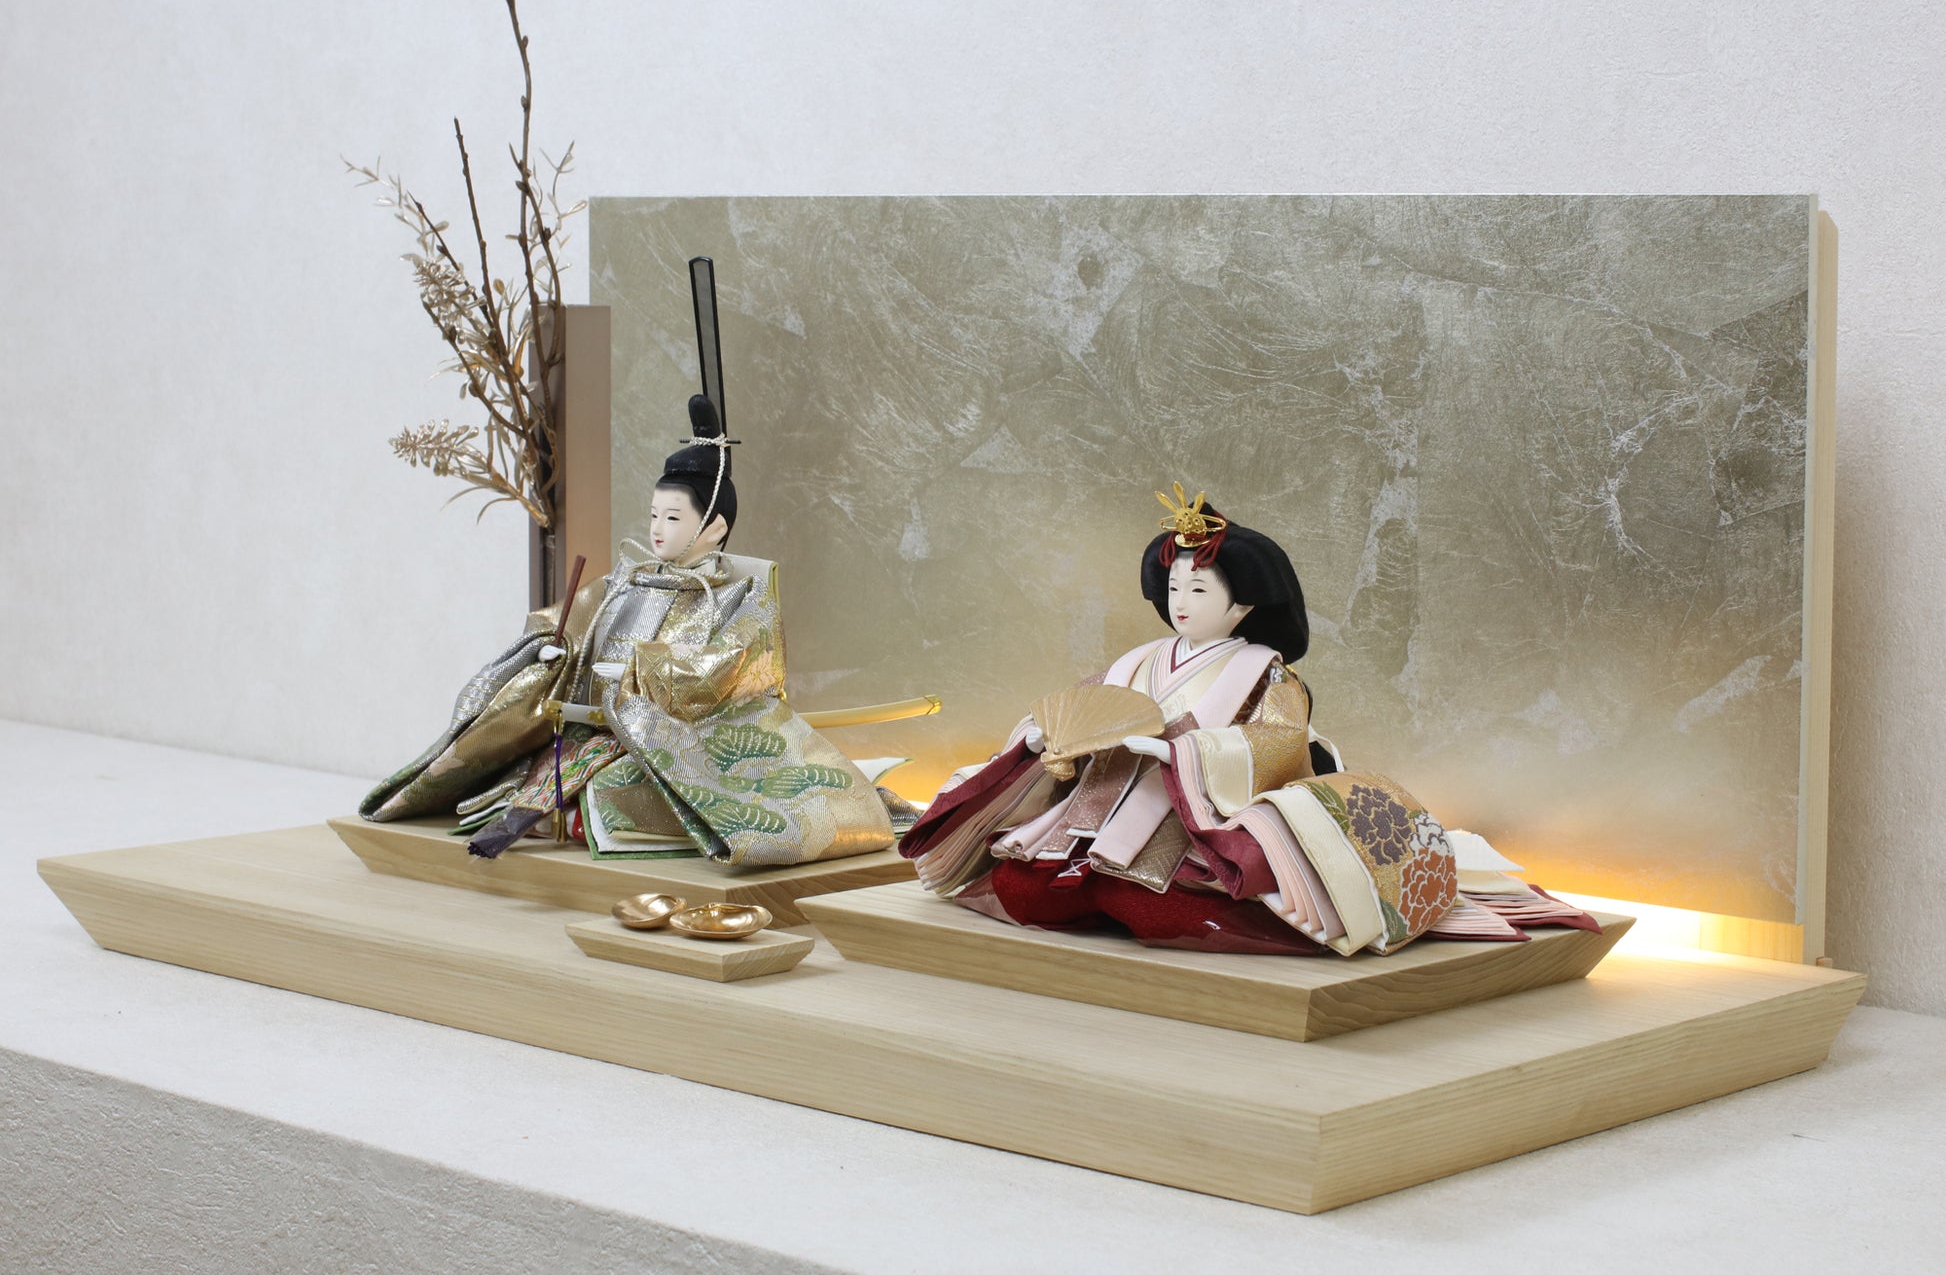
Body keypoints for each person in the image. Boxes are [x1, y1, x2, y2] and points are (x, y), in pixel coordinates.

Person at [900, 486, 1594, 955]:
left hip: (1186, 820)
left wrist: (1182, 754)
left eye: (1199, 588)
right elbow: (1079, 709)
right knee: (1023, 889)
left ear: (1243, 606)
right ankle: (1091, 887)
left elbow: (1281, 742)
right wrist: (1041, 737)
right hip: (1097, 807)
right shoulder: (1137, 661)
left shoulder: (1266, 673)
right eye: (1174, 587)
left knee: (1151, 906)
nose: (1181, 601)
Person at [359, 395, 895, 868]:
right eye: (654, 515)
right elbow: (570, 620)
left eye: (673, 519)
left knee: (605, 793)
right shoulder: (628, 578)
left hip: (672, 740)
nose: (657, 530)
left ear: (714, 527)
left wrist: (644, 668)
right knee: (514, 775)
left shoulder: (738, 594)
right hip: (589, 731)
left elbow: (738, 663)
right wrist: (550, 646)